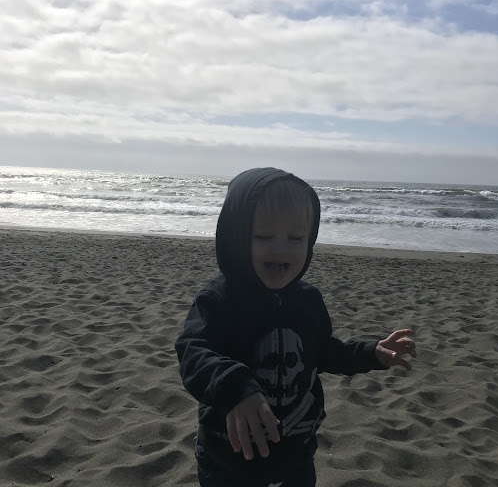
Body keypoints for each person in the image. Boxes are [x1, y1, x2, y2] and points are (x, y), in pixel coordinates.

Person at [175, 167, 416, 487]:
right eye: (264, 236)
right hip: (229, 461)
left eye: (296, 238)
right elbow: (192, 351)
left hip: (295, 456)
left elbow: (323, 351)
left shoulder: (307, 300)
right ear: (236, 237)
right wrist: (234, 389)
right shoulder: (219, 300)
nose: (282, 248)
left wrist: (371, 353)